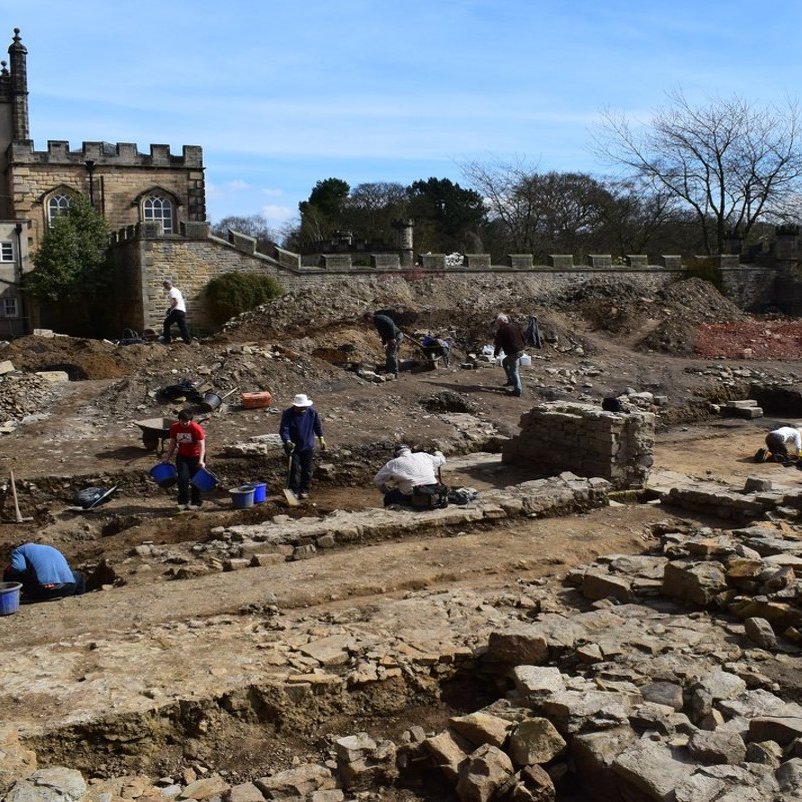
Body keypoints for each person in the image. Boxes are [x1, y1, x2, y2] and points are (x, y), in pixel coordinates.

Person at [279, 393, 327, 500]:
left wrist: (321, 438)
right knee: (294, 469)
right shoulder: (288, 413)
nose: (303, 409)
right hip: (292, 447)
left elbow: (317, 426)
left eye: (304, 407)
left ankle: (304, 490)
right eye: (301, 407)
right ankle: (294, 491)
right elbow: (284, 429)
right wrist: (287, 440)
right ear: (296, 405)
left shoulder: (311, 412)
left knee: (307, 469)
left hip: (307, 445)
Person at [4, 543, 85, 602]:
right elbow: (67, 569)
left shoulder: (19, 550)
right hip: (68, 588)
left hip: (42, 591)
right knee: (78, 575)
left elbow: (18, 568)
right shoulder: (50, 548)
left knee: (8, 571)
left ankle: (10, 599)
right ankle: (80, 597)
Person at [373, 444, 446, 508]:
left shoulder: (394, 463)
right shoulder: (424, 455)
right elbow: (442, 461)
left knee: (389, 496)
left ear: (395, 454)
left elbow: (377, 480)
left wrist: (385, 491)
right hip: (433, 492)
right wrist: (438, 453)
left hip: (411, 496)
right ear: (410, 450)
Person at [162, 410, 206, 510]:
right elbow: (173, 443)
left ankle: (196, 502)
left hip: (196, 456)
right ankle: (183, 501)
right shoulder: (175, 427)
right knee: (182, 478)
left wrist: (201, 460)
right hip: (183, 456)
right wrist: (167, 458)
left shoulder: (196, 428)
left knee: (196, 480)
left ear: (190, 420)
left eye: (187, 421)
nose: (185, 423)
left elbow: (201, 445)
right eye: (182, 421)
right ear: (179, 420)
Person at [493, 313, 526, 397]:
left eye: (498, 322)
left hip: (513, 352)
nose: (497, 324)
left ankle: (517, 390)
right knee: (505, 362)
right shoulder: (515, 326)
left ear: (501, 322)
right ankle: (510, 380)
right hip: (520, 350)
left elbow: (498, 343)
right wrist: (523, 345)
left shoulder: (502, 330)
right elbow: (523, 336)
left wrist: (496, 353)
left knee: (514, 371)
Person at [363, 311, 403, 378]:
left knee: (392, 354)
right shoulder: (376, 322)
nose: (367, 323)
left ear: (369, 317)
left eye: (367, 320)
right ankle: (389, 371)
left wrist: (393, 338)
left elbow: (391, 325)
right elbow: (382, 333)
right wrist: (384, 343)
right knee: (388, 353)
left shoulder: (381, 319)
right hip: (392, 337)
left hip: (397, 336)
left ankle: (394, 373)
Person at [162, 279, 192, 344]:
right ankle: (188, 341)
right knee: (182, 326)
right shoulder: (176, 290)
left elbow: (176, 302)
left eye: (165, 286)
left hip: (177, 311)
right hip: (182, 311)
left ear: (168, 284)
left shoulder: (172, 291)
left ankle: (167, 340)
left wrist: (170, 309)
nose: (165, 288)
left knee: (166, 323)